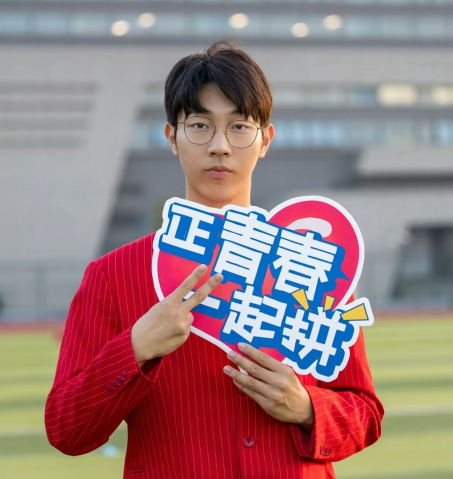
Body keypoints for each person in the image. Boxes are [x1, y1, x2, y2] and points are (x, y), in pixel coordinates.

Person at [45, 38, 384, 478]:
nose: (220, 146)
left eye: (239, 126)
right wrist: (136, 348)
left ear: (265, 140)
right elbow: (66, 429)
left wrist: (306, 407)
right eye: (200, 125)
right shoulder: (113, 275)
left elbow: (365, 414)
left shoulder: (311, 266)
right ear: (172, 137)